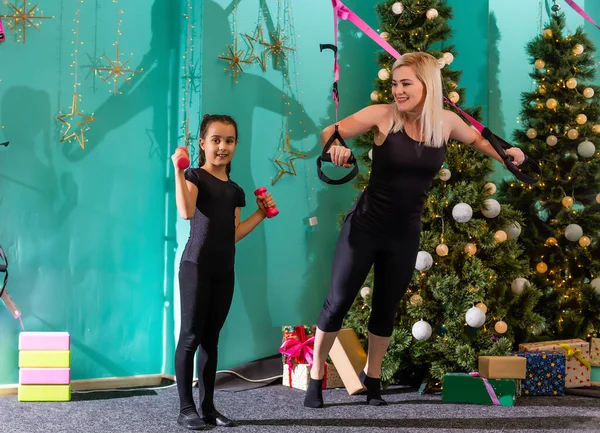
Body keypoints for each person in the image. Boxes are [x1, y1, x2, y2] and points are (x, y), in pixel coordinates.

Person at [304, 52, 525, 408]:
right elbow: (330, 132)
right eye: (395, 83)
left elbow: (480, 141)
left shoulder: (447, 122)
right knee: (338, 302)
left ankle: (372, 378)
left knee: (385, 308)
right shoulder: (384, 116)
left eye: (406, 83)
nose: (398, 90)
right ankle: (315, 375)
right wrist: (337, 151)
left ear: (427, 85)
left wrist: (508, 155)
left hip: (404, 233)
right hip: (364, 228)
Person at [172, 114, 276, 430]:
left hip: (223, 270)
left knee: (211, 340)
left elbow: (232, 233)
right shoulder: (194, 176)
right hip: (196, 267)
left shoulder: (234, 190)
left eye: (229, 140)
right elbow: (187, 211)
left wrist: (260, 214)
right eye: (216, 140)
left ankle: (207, 408)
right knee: (190, 337)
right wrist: (178, 171)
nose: (222, 146)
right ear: (202, 144)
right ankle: (185, 409)